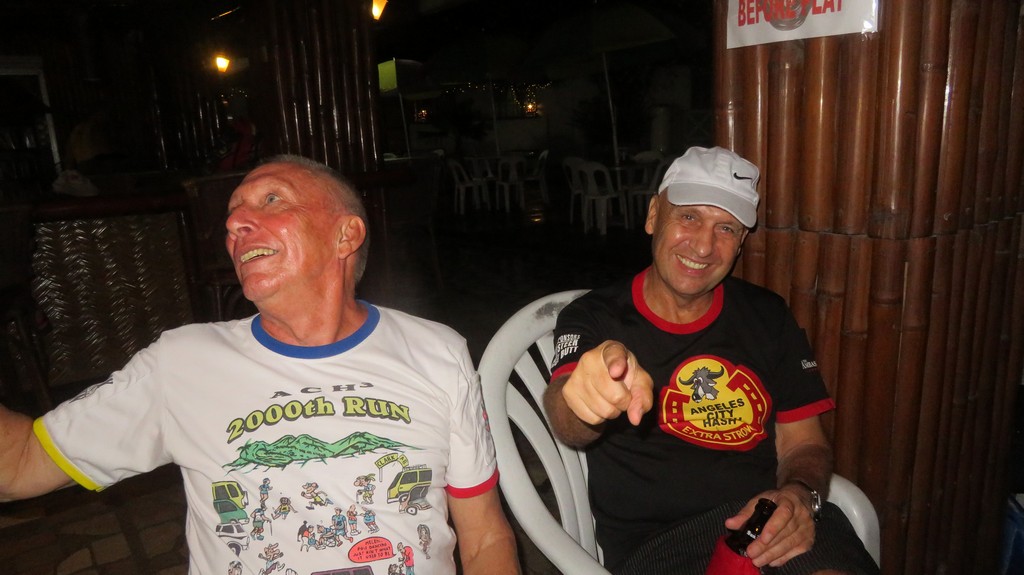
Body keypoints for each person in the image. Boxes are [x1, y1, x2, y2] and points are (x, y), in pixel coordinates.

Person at [0, 155, 520, 575]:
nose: (233, 224)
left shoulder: (437, 352)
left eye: (273, 200)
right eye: (232, 214)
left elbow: (485, 538)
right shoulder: (183, 363)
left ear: (345, 235)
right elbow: (21, 464)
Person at [543, 146, 879, 575]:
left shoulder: (767, 315)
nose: (703, 246)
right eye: (688, 217)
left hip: (769, 520)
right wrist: (584, 401)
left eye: (726, 228)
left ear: (741, 242)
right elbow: (567, 418)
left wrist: (798, 495)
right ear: (653, 216)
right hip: (662, 543)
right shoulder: (594, 317)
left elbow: (805, 443)